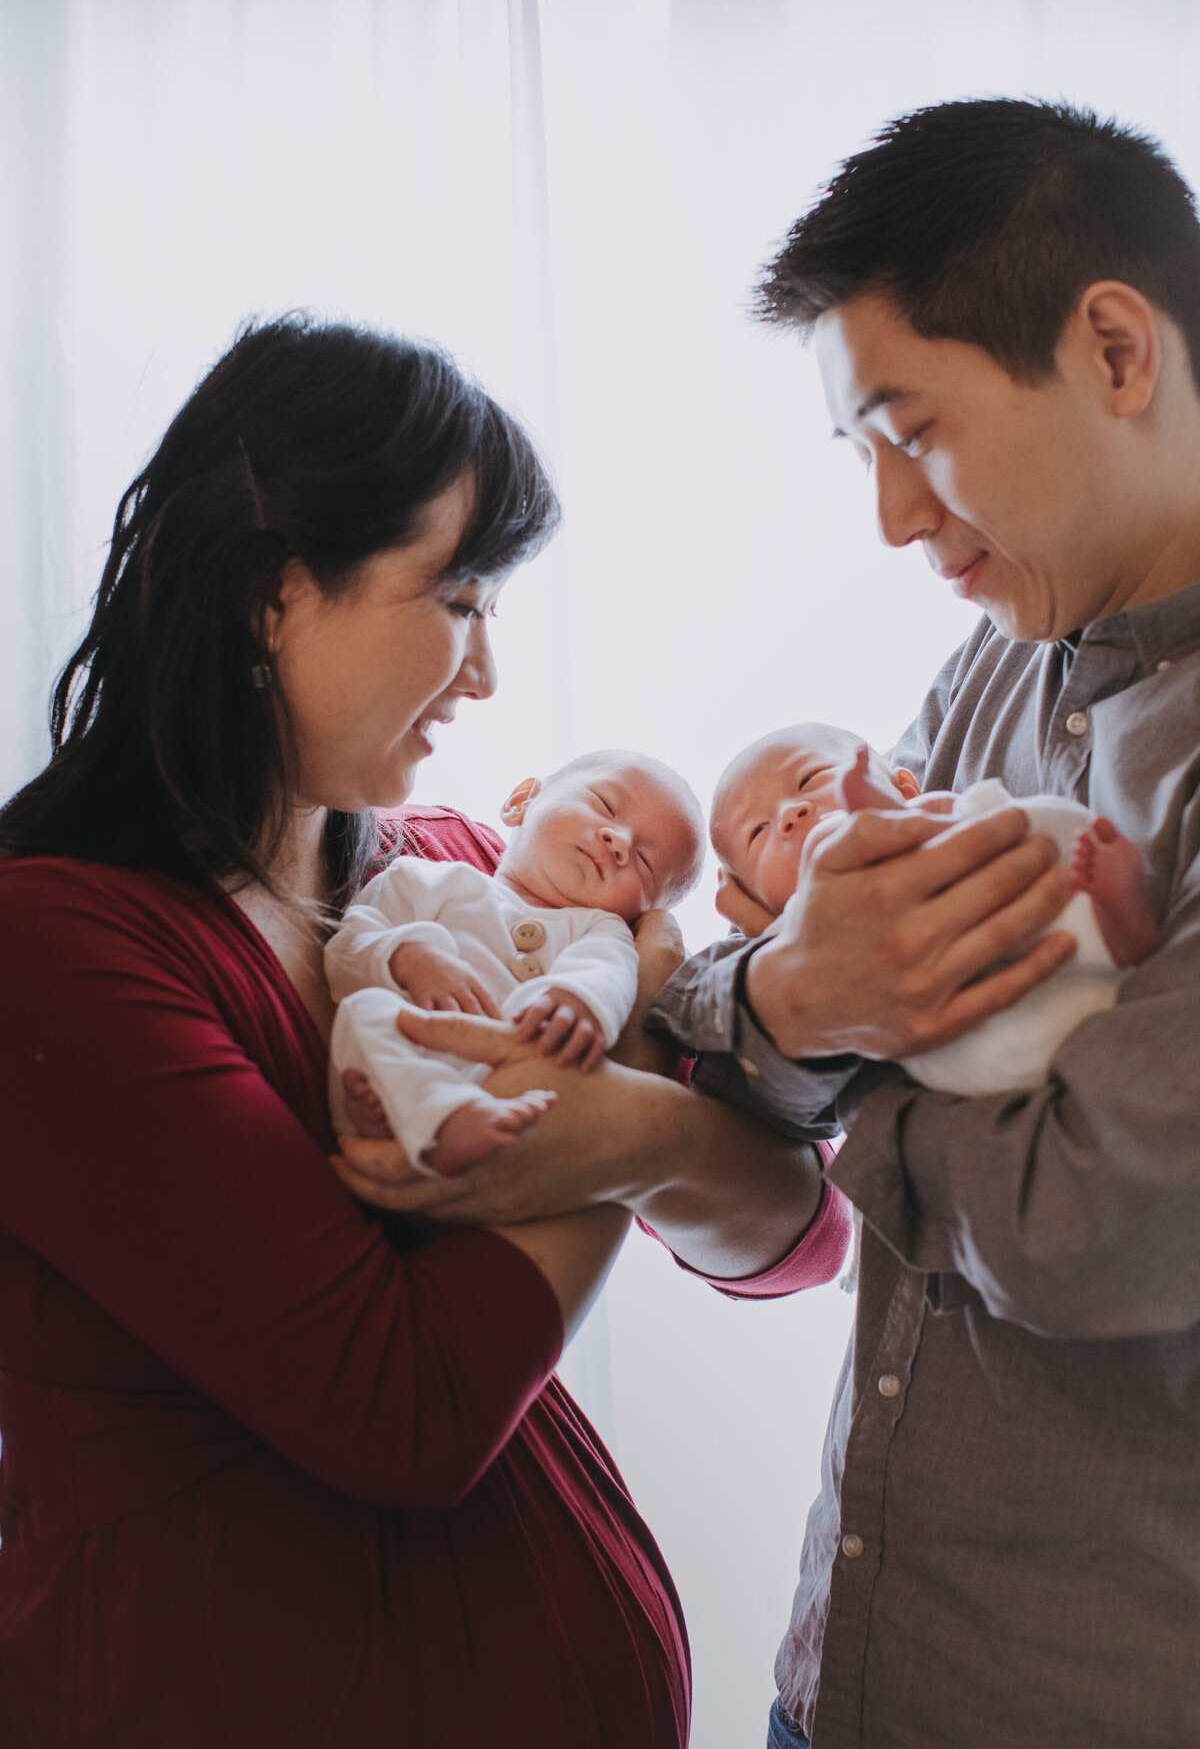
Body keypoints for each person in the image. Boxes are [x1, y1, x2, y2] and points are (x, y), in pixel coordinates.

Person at [0, 316, 849, 1748]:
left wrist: (632, 1128)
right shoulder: (55, 950)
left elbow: (805, 1238)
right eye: (458, 598)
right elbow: (408, 1411)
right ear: (277, 595)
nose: (488, 676)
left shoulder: (466, 875)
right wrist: (639, 1082)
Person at [642, 98, 1200, 1748]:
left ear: (1114, 348)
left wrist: (832, 1045)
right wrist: (800, 999)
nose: (892, 516)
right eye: (860, 450)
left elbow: (1090, 1230)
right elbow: (759, 1019)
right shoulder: (999, 665)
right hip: (848, 1663)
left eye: (915, 428)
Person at [702, 721, 1158, 1096]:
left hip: (1050, 952)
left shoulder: (924, 817)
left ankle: (1117, 919)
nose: (790, 814)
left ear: (904, 785)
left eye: (810, 780)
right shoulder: (793, 936)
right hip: (976, 1054)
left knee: (1021, 858)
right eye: (758, 833)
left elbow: (932, 825)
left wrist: (879, 813)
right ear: (754, 902)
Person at [326, 750, 705, 1172]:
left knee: (570, 1079)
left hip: (516, 1104)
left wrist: (578, 1000)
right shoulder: (424, 880)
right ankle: (428, 1112)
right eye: (604, 805)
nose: (620, 841)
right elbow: (347, 951)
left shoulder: (601, 932)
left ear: (642, 913)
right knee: (368, 1010)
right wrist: (410, 957)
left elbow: (607, 975)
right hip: (405, 1067)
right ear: (521, 801)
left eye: (645, 863)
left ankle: (444, 1124)